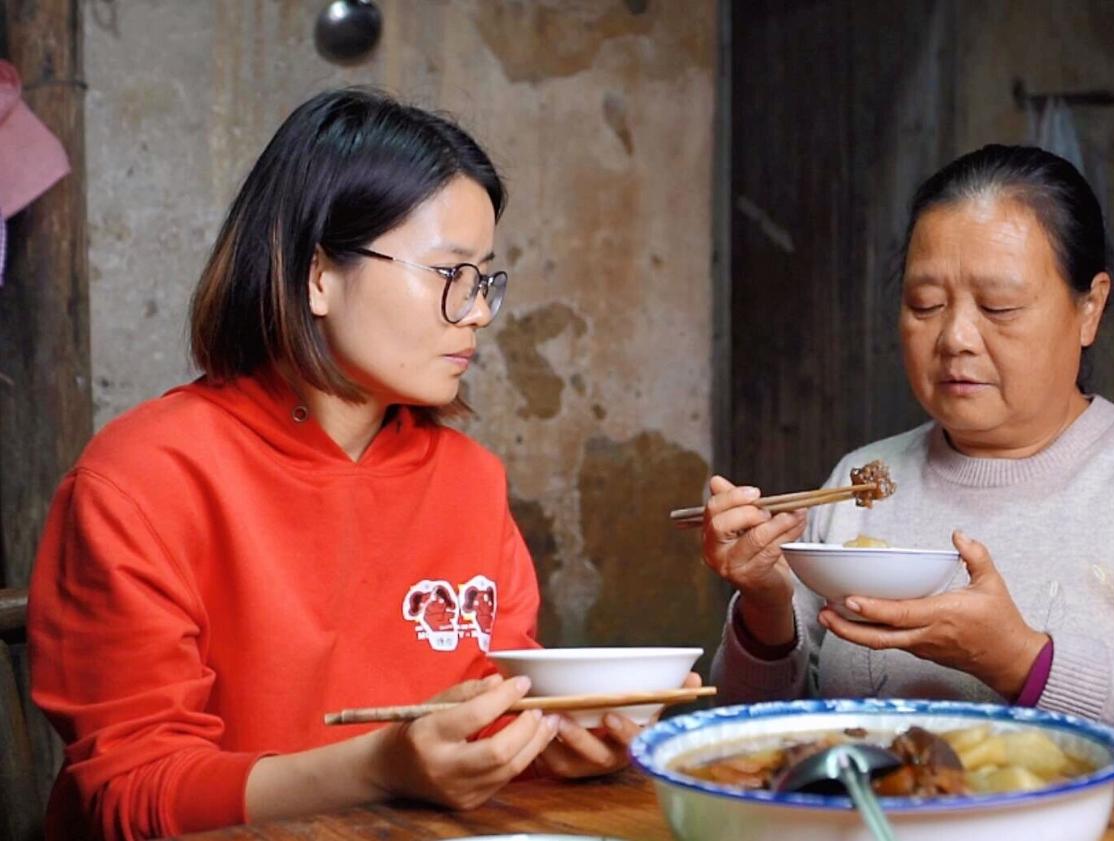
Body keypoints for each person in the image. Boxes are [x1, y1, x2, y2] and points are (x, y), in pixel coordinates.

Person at [27, 88, 661, 841]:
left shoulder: (470, 480)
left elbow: (489, 722)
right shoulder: (140, 478)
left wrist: (556, 748)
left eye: (485, 277)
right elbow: (130, 796)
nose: (481, 312)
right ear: (317, 273)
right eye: (449, 273)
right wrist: (378, 766)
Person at [702, 144, 1114, 808]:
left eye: (998, 307)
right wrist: (767, 611)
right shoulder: (861, 480)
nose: (955, 338)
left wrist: (1023, 661)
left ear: (1090, 308)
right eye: (924, 303)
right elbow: (753, 751)